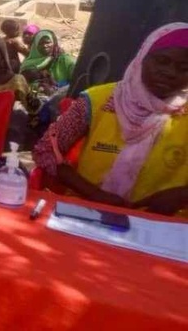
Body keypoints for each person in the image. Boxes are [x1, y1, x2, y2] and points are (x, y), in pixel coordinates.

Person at [33, 23, 188, 216]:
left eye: (184, 68)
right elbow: (46, 150)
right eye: (162, 61)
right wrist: (95, 194)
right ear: (142, 57)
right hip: (89, 210)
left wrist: (182, 195)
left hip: (164, 223)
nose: (170, 72)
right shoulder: (97, 100)